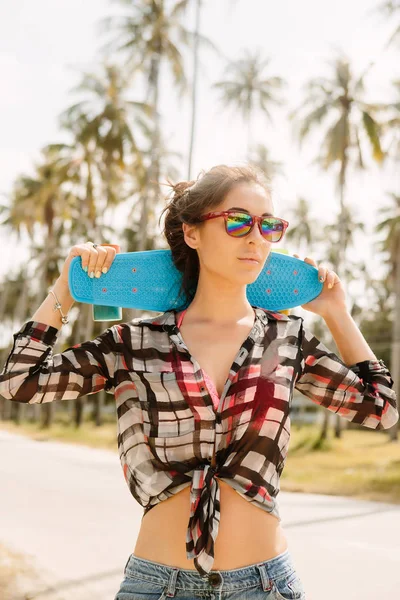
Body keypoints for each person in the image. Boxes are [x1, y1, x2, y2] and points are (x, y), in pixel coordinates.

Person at [0, 163, 397, 600]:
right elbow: (19, 381)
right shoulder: (134, 343)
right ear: (192, 233)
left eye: (269, 225)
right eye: (237, 220)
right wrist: (68, 286)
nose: (255, 238)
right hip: (157, 587)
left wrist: (337, 313)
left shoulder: (286, 340)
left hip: (264, 587)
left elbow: (382, 409)